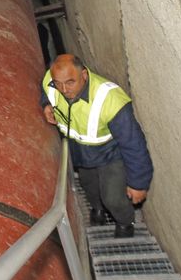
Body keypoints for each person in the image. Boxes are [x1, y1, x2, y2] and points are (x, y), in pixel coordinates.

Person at [40, 54, 153, 238]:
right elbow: (45, 88)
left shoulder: (110, 99)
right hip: (82, 155)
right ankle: (97, 209)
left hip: (110, 154)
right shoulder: (51, 82)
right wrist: (46, 104)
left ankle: (125, 222)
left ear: (84, 75)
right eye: (58, 83)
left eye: (70, 82)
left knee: (113, 197)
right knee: (88, 186)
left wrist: (138, 184)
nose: (63, 89)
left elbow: (134, 143)